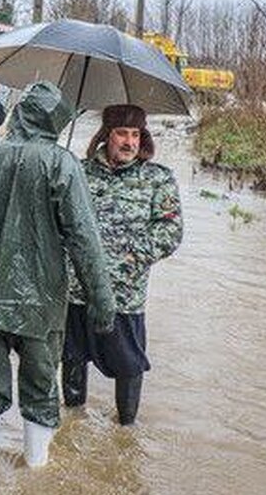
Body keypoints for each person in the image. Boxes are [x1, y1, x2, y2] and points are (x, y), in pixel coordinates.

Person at [0, 81, 116, 468]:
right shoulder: (62, 163)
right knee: (40, 386)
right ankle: (36, 469)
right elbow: (84, 237)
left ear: (19, 113)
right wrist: (102, 300)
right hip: (41, 301)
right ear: (56, 121)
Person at [63, 104, 183, 426]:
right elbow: (59, 220)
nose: (129, 142)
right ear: (106, 136)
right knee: (72, 359)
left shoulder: (158, 179)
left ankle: (126, 432)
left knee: (129, 365)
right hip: (77, 292)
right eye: (121, 133)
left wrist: (127, 258)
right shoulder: (78, 171)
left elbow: (171, 232)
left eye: (135, 134)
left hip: (125, 297)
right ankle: (71, 426)